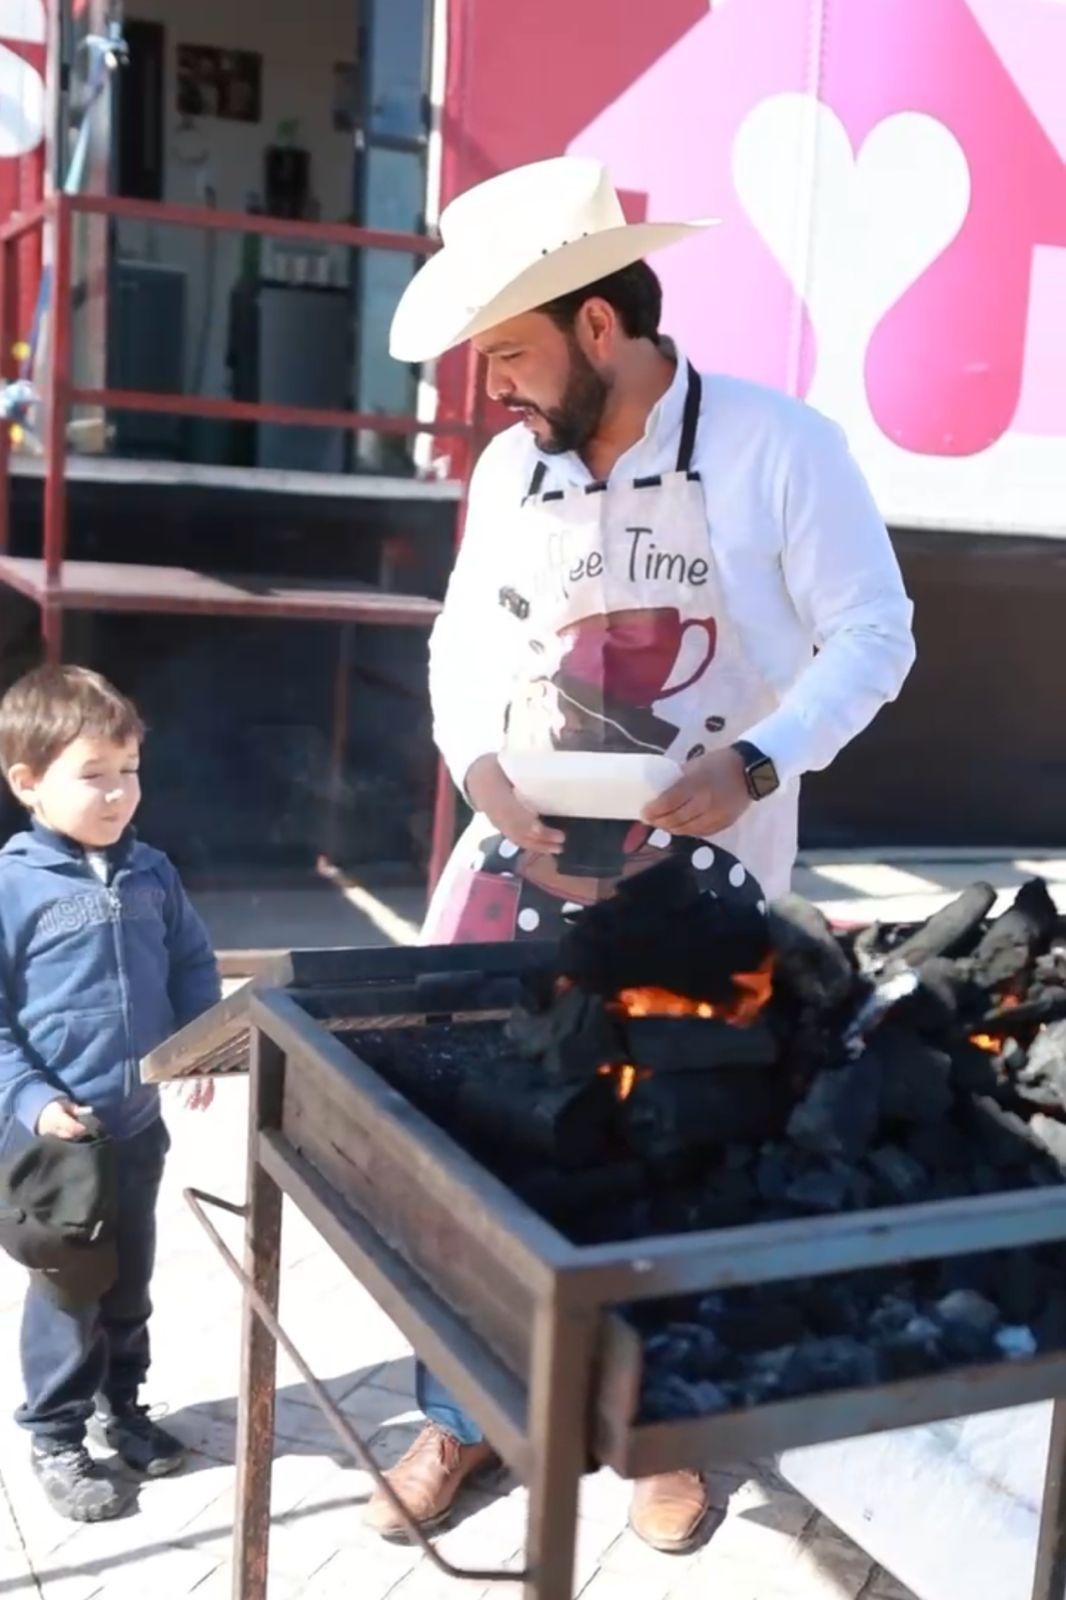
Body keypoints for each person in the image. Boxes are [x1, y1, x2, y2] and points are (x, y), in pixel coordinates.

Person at [366, 156, 916, 1552]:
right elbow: (463, 645)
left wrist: (755, 761)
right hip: (526, 861)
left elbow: (873, 634)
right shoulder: (509, 467)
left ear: (597, 326)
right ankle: (465, 1409)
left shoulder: (781, 448)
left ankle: (662, 1433)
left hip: (704, 872)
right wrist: (475, 761)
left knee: (677, 1138)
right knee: (480, 1134)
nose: (491, 390)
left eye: (509, 355)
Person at [0, 664, 221, 1521]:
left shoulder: (152, 873)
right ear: (27, 782)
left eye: (128, 771)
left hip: (137, 1126)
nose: (117, 793)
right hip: (54, 1141)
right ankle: (56, 1437)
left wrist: (198, 1046)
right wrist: (31, 1100)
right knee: (69, 1289)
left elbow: (195, 963)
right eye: (92, 776)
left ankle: (122, 1406)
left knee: (129, 1280)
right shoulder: (12, 888)